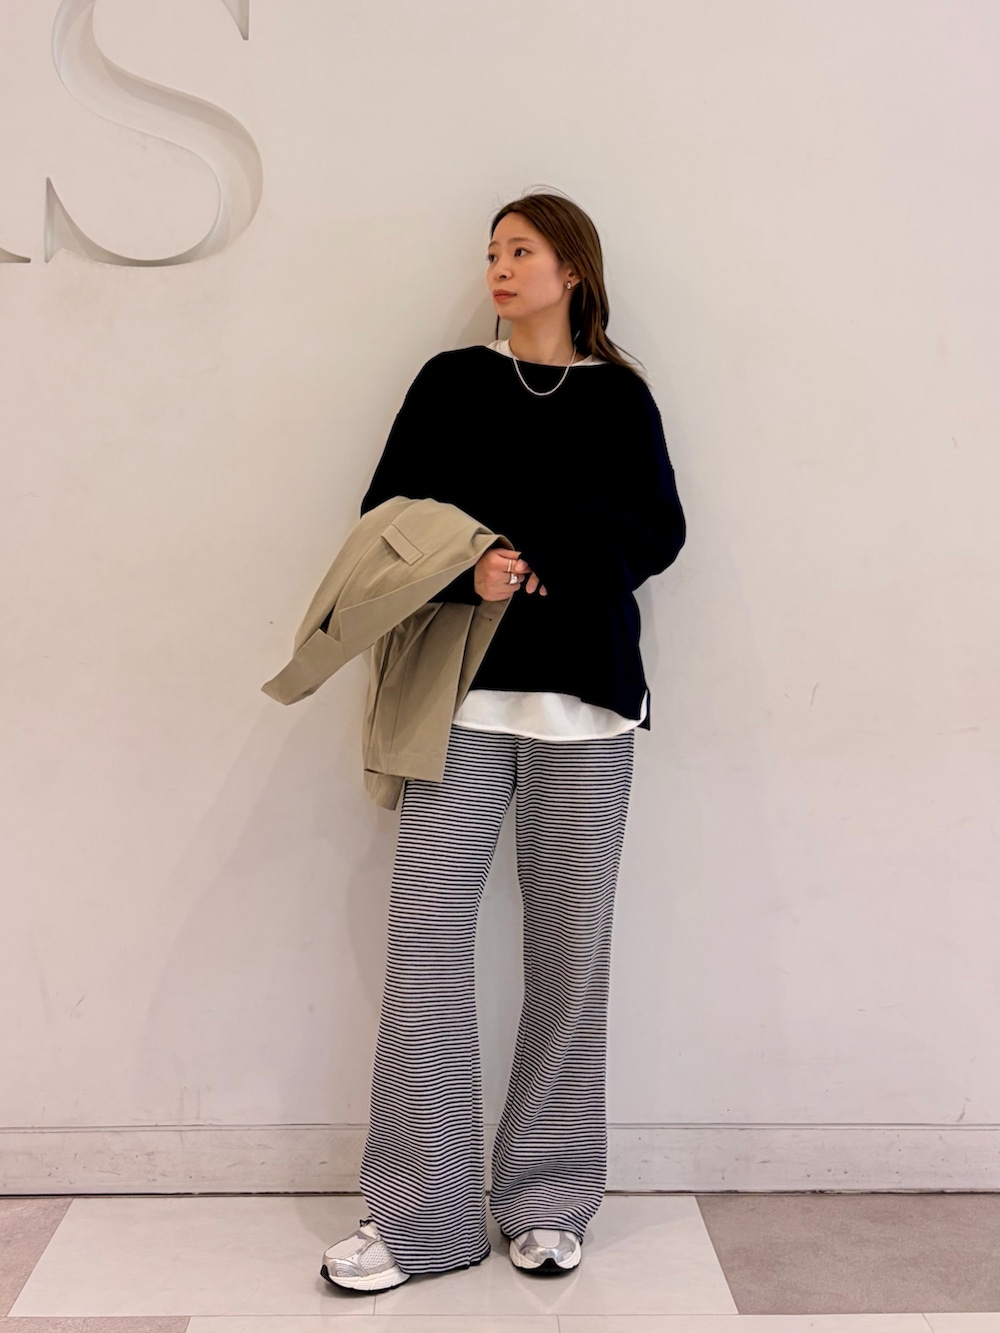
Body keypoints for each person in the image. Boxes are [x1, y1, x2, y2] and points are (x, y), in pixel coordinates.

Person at [320, 190, 686, 1293]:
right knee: (426, 940)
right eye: (492, 251)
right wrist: (465, 568)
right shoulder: (451, 383)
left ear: (572, 269)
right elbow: (385, 518)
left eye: (521, 250)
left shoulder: (620, 397)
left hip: (588, 706)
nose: (500, 266)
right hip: (461, 700)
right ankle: (422, 1218)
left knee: (571, 952)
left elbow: (658, 530)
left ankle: (548, 1198)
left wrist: (556, 547)